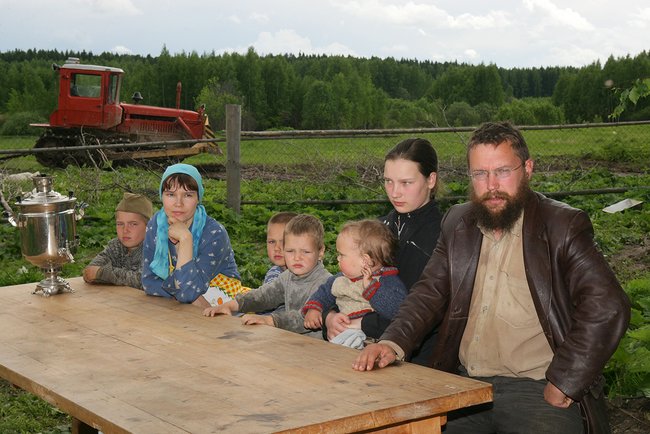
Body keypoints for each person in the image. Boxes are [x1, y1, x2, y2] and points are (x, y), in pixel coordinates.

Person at [353, 121, 631, 434]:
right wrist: (392, 342)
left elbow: (608, 306)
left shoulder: (561, 226)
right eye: (480, 174)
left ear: (527, 169)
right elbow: (428, 293)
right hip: (467, 385)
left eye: (502, 171)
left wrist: (566, 380)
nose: (491, 185)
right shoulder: (458, 224)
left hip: (537, 390)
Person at [325, 138, 442, 364]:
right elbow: (346, 277)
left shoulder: (440, 237)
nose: (395, 192)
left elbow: (427, 312)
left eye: (406, 183)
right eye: (388, 181)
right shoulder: (378, 229)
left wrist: (363, 323)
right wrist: (329, 316)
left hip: (412, 357)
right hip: (357, 342)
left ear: (431, 180)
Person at [203, 214, 332, 338]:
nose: (297, 257)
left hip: (315, 347)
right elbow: (264, 295)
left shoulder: (325, 283)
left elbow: (303, 317)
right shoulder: (288, 276)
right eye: (290, 251)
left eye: (306, 252)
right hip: (289, 341)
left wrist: (270, 320)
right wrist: (230, 305)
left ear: (320, 252)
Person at [142, 163, 244, 307]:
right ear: (162, 197)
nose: (178, 203)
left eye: (188, 195)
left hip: (221, 303)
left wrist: (185, 239)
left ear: (198, 198)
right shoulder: (156, 225)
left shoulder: (214, 233)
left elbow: (188, 294)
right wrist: (182, 292)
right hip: (183, 303)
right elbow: (149, 283)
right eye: (171, 194)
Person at [302, 219, 407, 349]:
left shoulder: (386, 280)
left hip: (372, 341)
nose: (338, 258)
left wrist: (372, 289)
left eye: (342, 255)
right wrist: (314, 309)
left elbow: (398, 310)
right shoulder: (340, 279)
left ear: (364, 261)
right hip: (342, 332)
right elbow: (323, 293)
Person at [83, 192, 153, 289]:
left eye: (133, 224)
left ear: (149, 226)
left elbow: (145, 281)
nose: (125, 230)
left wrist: (104, 274)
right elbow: (90, 271)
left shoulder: (154, 248)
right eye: (120, 224)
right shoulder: (116, 246)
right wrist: (102, 274)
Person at [264, 211, 298, 284]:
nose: (276, 248)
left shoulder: (314, 275)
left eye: (283, 242)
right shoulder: (273, 275)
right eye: (272, 242)